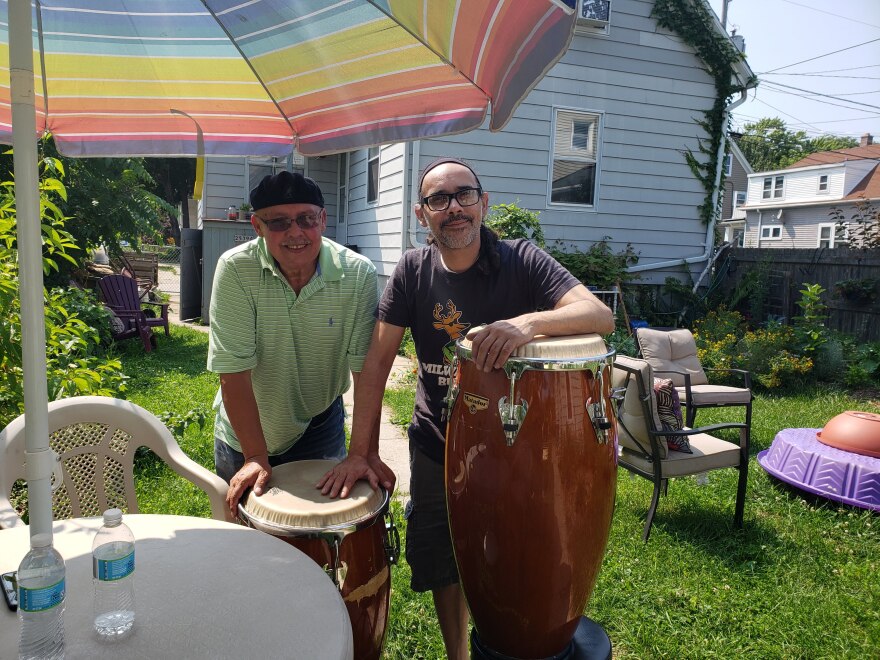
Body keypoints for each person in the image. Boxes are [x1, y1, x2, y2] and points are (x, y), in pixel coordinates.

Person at [317, 157, 614, 659]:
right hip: (438, 440)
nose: (453, 207)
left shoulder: (522, 259)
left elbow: (599, 315)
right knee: (439, 557)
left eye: (464, 195)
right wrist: (360, 452)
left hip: (520, 446)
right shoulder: (413, 270)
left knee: (518, 551)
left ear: (483, 203)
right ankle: (459, 654)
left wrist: (528, 325)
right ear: (421, 214)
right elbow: (377, 361)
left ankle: (510, 634)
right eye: (438, 199)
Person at [208, 170, 394, 518]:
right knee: (244, 537)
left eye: (306, 219)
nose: (295, 232)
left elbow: (366, 372)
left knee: (321, 534)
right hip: (245, 428)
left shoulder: (358, 274)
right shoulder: (234, 269)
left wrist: (363, 454)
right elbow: (233, 372)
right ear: (257, 226)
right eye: (278, 222)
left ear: (323, 220)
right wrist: (254, 457)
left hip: (318, 423)